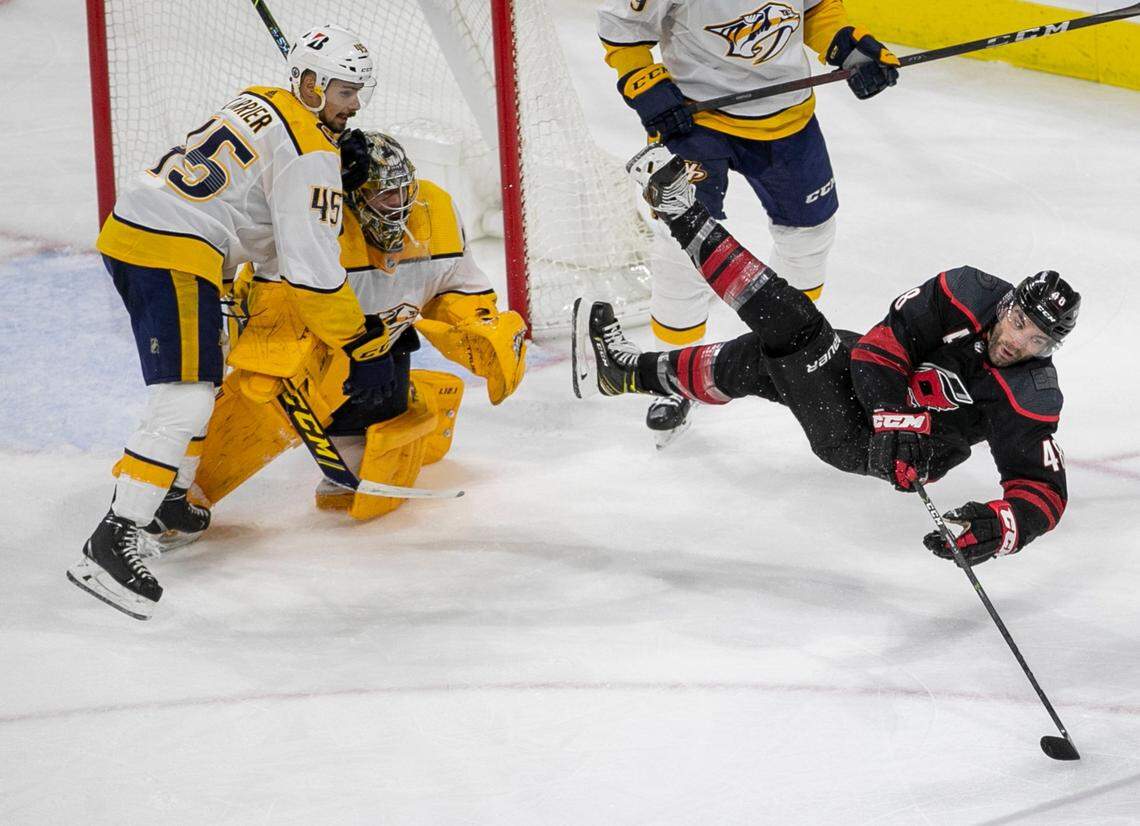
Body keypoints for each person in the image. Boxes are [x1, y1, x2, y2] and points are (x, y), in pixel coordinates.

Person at [574, 146, 1078, 564]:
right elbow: (881, 349)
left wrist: (1000, 527)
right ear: (1007, 304)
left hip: (863, 443)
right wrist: (899, 418)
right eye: (1019, 323)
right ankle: (621, 374)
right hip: (869, 392)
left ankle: (682, 213)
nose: (1019, 342)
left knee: (795, 330)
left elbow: (1043, 492)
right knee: (756, 359)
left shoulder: (1031, 394)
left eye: (1038, 340)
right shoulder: (964, 291)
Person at [69, 25, 388, 620]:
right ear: (312, 84)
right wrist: (358, 337)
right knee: (184, 397)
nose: (355, 104)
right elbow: (313, 268)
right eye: (345, 90)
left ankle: (166, 499)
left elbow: (263, 226)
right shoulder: (314, 153)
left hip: (135, 228)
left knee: (203, 380)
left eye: (359, 91)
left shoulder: (261, 98)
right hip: (171, 248)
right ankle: (113, 538)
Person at [597, 0, 900, 444]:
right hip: (694, 116)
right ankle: (672, 372)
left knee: (810, 238)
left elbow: (816, 10)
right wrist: (646, 84)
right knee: (681, 247)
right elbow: (623, 27)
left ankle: (790, 353)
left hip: (788, 115)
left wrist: (851, 48)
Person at [185, 129, 527, 522]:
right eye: (384, 194)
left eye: (402, 190)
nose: (398, 204)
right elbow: (275, 320)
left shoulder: (436, 211)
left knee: (363, 472)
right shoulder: (316, 223)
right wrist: (340, 352)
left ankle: (397, 407)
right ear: (353, 196)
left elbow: (455, 284)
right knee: (267, 387)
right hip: (301, 336)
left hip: (382, 341)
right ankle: (185, 491)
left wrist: (476, 326)